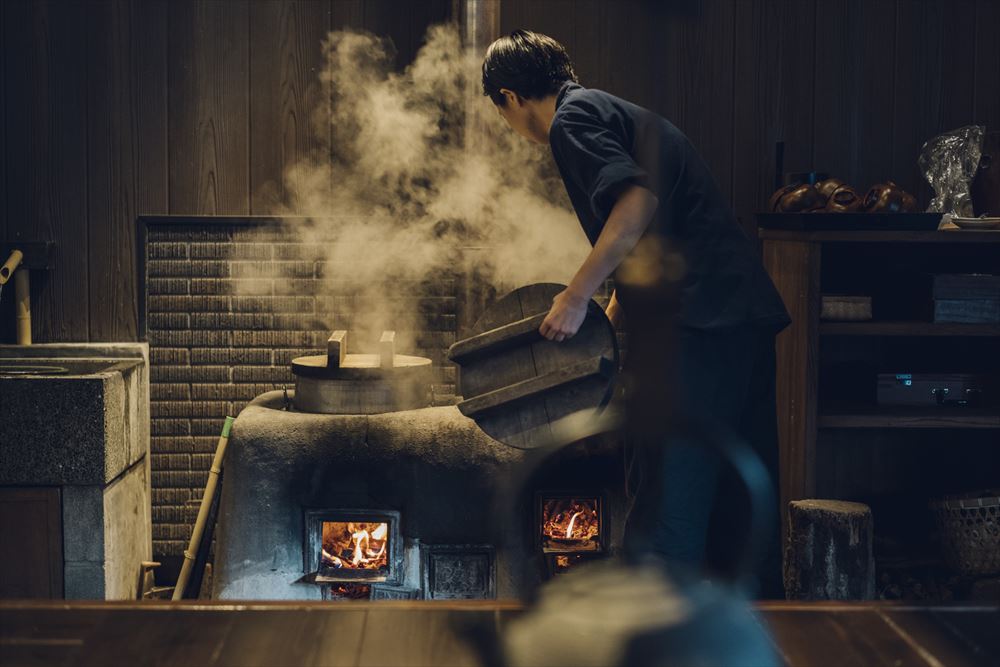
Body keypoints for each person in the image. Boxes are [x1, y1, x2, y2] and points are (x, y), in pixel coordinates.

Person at [482, 30, 791, 596]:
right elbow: (656, 233)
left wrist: (576, 295)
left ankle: (653, 642)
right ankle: (754, 640)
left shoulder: (571, 123)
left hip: (699, 321)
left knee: (671, 493)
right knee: (738, 495)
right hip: (736, 316)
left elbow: (637, 201)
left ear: (509, 98)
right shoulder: (608, 109)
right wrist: (614, 311)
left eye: (502, 112)